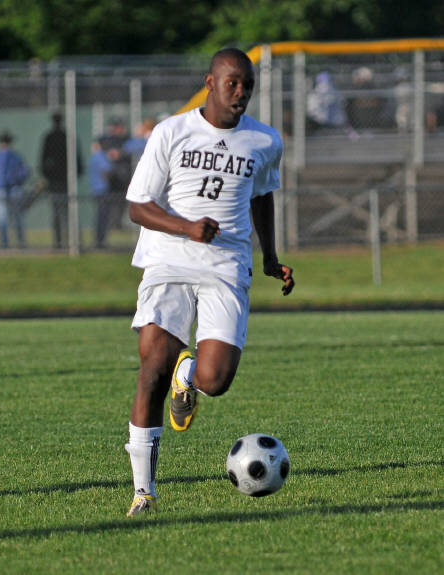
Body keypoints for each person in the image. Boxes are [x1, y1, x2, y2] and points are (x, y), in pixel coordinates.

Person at [124, 48, 295, 516]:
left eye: (247, 85)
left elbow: (262, 195)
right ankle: (143, 493)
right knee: (152, 369)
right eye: (232, 83)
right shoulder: (171, 132)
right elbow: (138, 206)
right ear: (210, 83)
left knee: (214, 381)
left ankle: (190, 375)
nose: (240, 93)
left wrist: (270, 258)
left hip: (226, 265)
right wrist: (186, 227)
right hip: (169, 260)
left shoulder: (264, 140)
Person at [40, 111, 83, 249]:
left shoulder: (56, 137)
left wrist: (47, 175)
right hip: (62, 179)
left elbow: (43, 160)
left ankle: (62, 242)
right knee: (66, 211)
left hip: (61, 180)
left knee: (60, 212)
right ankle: (68, 241)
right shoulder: (62, 137)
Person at [0, 130, 30, 248]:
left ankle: (5, 244)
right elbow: (25, 173)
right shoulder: (15, 157)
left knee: (4, 217)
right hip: (10, 189)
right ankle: (19, 243)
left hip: (4, 190)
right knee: (13, 217)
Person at [88, 139, 113, 248]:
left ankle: (99, 240)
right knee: (102, 217)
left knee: (100, 216)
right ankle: (100, 240)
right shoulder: (100, 156)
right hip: (102, 190)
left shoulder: (94, 157)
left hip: (96, 190)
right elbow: (107, 170)